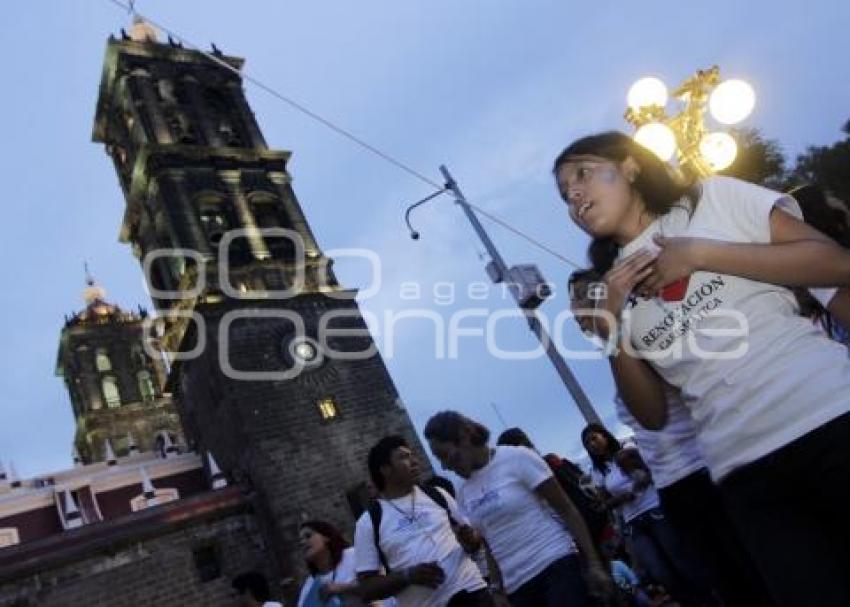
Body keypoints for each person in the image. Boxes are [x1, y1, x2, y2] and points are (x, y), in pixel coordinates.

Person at [553, 130, 850, 605]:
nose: (573, 195)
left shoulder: (710, 199)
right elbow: (651, 415)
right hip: (743, 472)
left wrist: (699, 253)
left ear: (630, 166)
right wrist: (613, 330)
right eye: (565, 194)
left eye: (582, 174)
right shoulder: (613, 288)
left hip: (828, 414)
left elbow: (834, 263)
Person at [570, 268, 774, 606]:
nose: (573, 310)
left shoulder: (642, 330)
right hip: (674, 484)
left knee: (750, 576)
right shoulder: (617, 347)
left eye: (579, 298)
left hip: (701, 470)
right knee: (724, 582)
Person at [423, 410, 612, 607]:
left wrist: (594, 563)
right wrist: (497, 589)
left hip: (556, 565)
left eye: (444, 455)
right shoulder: (463, 492)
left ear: (464, 437)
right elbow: (489, 541)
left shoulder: (517, 458)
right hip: (517, 588)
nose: (444, 466)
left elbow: (566, 509)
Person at [353, 435, 492, 607]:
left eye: (412, 455)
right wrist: (408, 576)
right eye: (404, 457)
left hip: (474, 593)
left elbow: (475, 542)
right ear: (385, 469)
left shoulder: (437, 494)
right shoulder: (369, 522)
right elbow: (366, 589)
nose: (414, 461)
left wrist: (470, 540)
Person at [580, 424, 706, 605]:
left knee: (680, 560)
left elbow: (651, 471)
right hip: (633, 523)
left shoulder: (627, 449)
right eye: (587, 443)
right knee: (659, 571)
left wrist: (639, 483)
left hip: (654, 510)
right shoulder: (598, 472)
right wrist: (620, 499)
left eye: (594, 438)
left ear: (605, 436)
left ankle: (707, 598)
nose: (592, 444)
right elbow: (604, 504)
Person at [495, 426, 610, 545]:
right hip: (569, 539)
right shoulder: (524, 483)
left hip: (592, 531)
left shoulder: (551, 463)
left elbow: (585, 489)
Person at [296, 520, 374, 607]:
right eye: (300, 541)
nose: (302, 542)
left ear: (326, 537)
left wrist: (341, 588)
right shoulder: (309, 584)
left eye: (308, 536)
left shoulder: (353, 555)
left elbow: (378, 583)